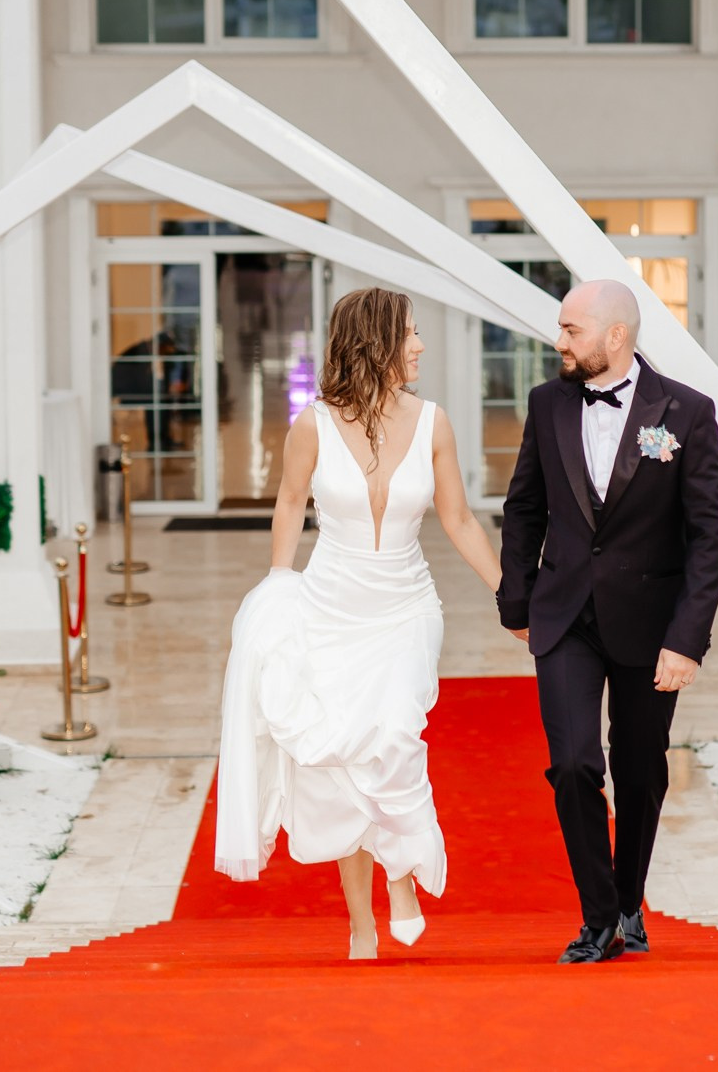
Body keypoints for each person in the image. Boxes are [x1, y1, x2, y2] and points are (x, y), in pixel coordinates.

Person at [214, 287, 502, 960]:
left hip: (406, 608)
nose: (421, 345)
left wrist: (511, 595)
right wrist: (279, 583)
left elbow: (459, 519)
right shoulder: (313, 425)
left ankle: (400, 876)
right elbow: (290, 502)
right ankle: (360, 924)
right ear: (376, 341)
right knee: (339, 760)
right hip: (330, 608)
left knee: (395, 733)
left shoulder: (434, 424)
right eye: (410, 333)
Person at [496, 279, 718, 964]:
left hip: (651, 625)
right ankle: (599, 917)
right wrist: (518, 602)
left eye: (572, 330)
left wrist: (686, 640)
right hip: (565, 615)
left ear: (616, 335)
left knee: (639, 770)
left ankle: (629, 901)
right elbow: (524, 507)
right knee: (573, 764)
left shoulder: (687, 412)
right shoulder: (546, 403)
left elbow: (709, 536)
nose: (559, 341)